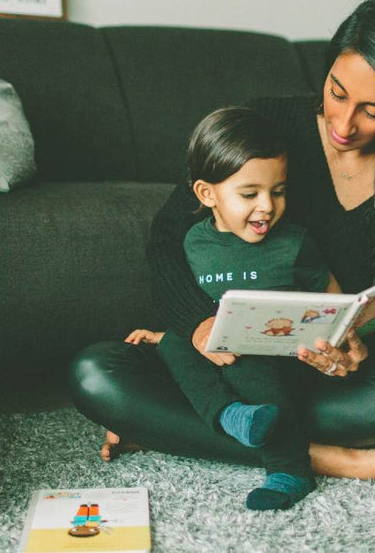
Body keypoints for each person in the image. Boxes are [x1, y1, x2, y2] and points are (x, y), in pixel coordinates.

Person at [70, 0, 375, 494]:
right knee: (96, 372)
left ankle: (174, 427)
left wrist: (358, 350)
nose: (344, 124)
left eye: (374, 110)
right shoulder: (267, 126)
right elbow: (169, 237)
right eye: (337, 92)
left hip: (320, 380)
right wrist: (197, 325)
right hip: (231, 366)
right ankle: (336, 459)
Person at [130, 105, 342, 510]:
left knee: (250, 353)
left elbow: (332, 296)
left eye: (277, 191)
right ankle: (232, 416)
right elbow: (199, 314)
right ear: (207, 194)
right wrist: (167, 336)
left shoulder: (294, 242)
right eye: (250, 194)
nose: (267, 206)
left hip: (279, 358)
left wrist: (343, 330)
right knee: (175, 344)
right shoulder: (195, 243)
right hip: (222, 356)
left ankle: (291, 468)